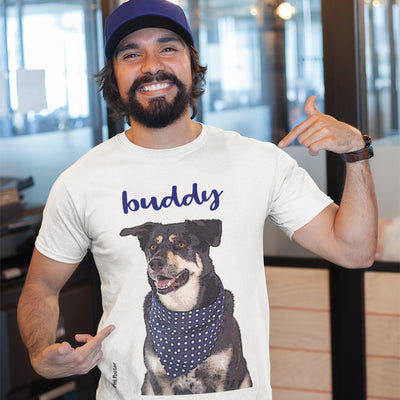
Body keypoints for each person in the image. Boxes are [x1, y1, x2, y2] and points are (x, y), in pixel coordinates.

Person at [17, 0, 378, 398]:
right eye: (131, 53)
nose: (151, 64)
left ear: (192, 62)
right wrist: (38, 350)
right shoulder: (80, 181)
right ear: (113, 77)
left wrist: (356, 154)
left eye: (167, 48)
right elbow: (41, 289)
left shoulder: (257, 162)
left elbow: (354, 251)